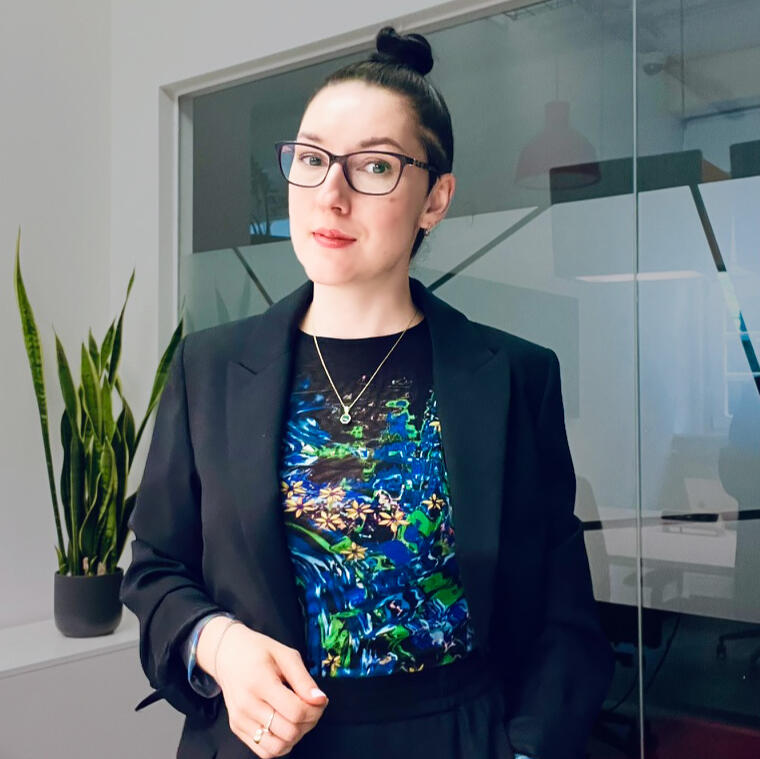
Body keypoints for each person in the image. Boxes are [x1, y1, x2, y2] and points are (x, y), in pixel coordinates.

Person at [120, 25, 614, 759]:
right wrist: (218, 643)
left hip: (456, 736)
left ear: (435, 199)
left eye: (375, 166)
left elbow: (562, 615)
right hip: (263, 744)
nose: (332, 194)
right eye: (311, 159)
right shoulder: (209, 369)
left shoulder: (515, 375)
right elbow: (156, 568)